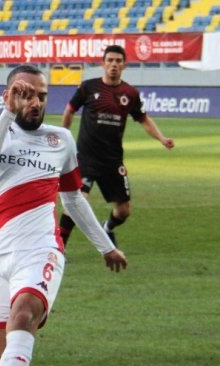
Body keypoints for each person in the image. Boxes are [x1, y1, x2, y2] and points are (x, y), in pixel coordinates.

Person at [0, 65, 128, 366]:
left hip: (41, 248)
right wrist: (8, 112)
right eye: (26, 94)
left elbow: (73, 198)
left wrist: (106, 246)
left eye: (41, 95)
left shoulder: (60, 140)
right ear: (7, 96)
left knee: (23, 314)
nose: (36, 102)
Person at [59, 44, 175, 247]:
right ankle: (58, 248)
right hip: (85, 158)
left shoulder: (129, 93)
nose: (113, 64)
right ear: (103, 64)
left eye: (118, 61)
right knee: (77, 201)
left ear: (124, 65)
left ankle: (108, 227)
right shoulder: (88, 87)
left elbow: (143, 119)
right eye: (110, 60)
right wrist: (65, 137)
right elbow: (69, 110)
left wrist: (162, 138)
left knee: (123, 210)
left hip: (112, 161)